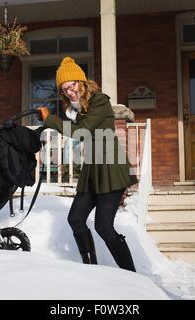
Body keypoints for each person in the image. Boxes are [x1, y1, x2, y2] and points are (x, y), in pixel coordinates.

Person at [36, 57, 138, 272]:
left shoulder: (99, 101)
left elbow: (78, 132)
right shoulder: (77, 109)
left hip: (110, 167)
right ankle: (91, 269)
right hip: (93, 168)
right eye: (64, 89)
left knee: (104, 226)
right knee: (76, 218)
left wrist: (50, 119)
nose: (69, 92)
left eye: (71, 85)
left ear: (81, 81)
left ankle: (131, 274)